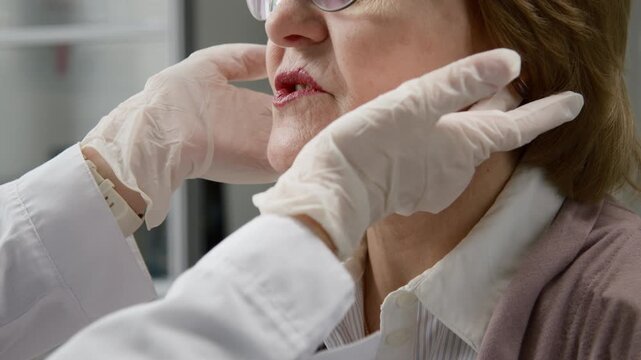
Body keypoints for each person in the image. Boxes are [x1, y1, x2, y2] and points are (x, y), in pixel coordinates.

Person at [0, 1, 633, 360]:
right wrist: (115, 168)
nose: (279, 23)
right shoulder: (285, 285)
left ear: (527, 32)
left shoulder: (620, 316)